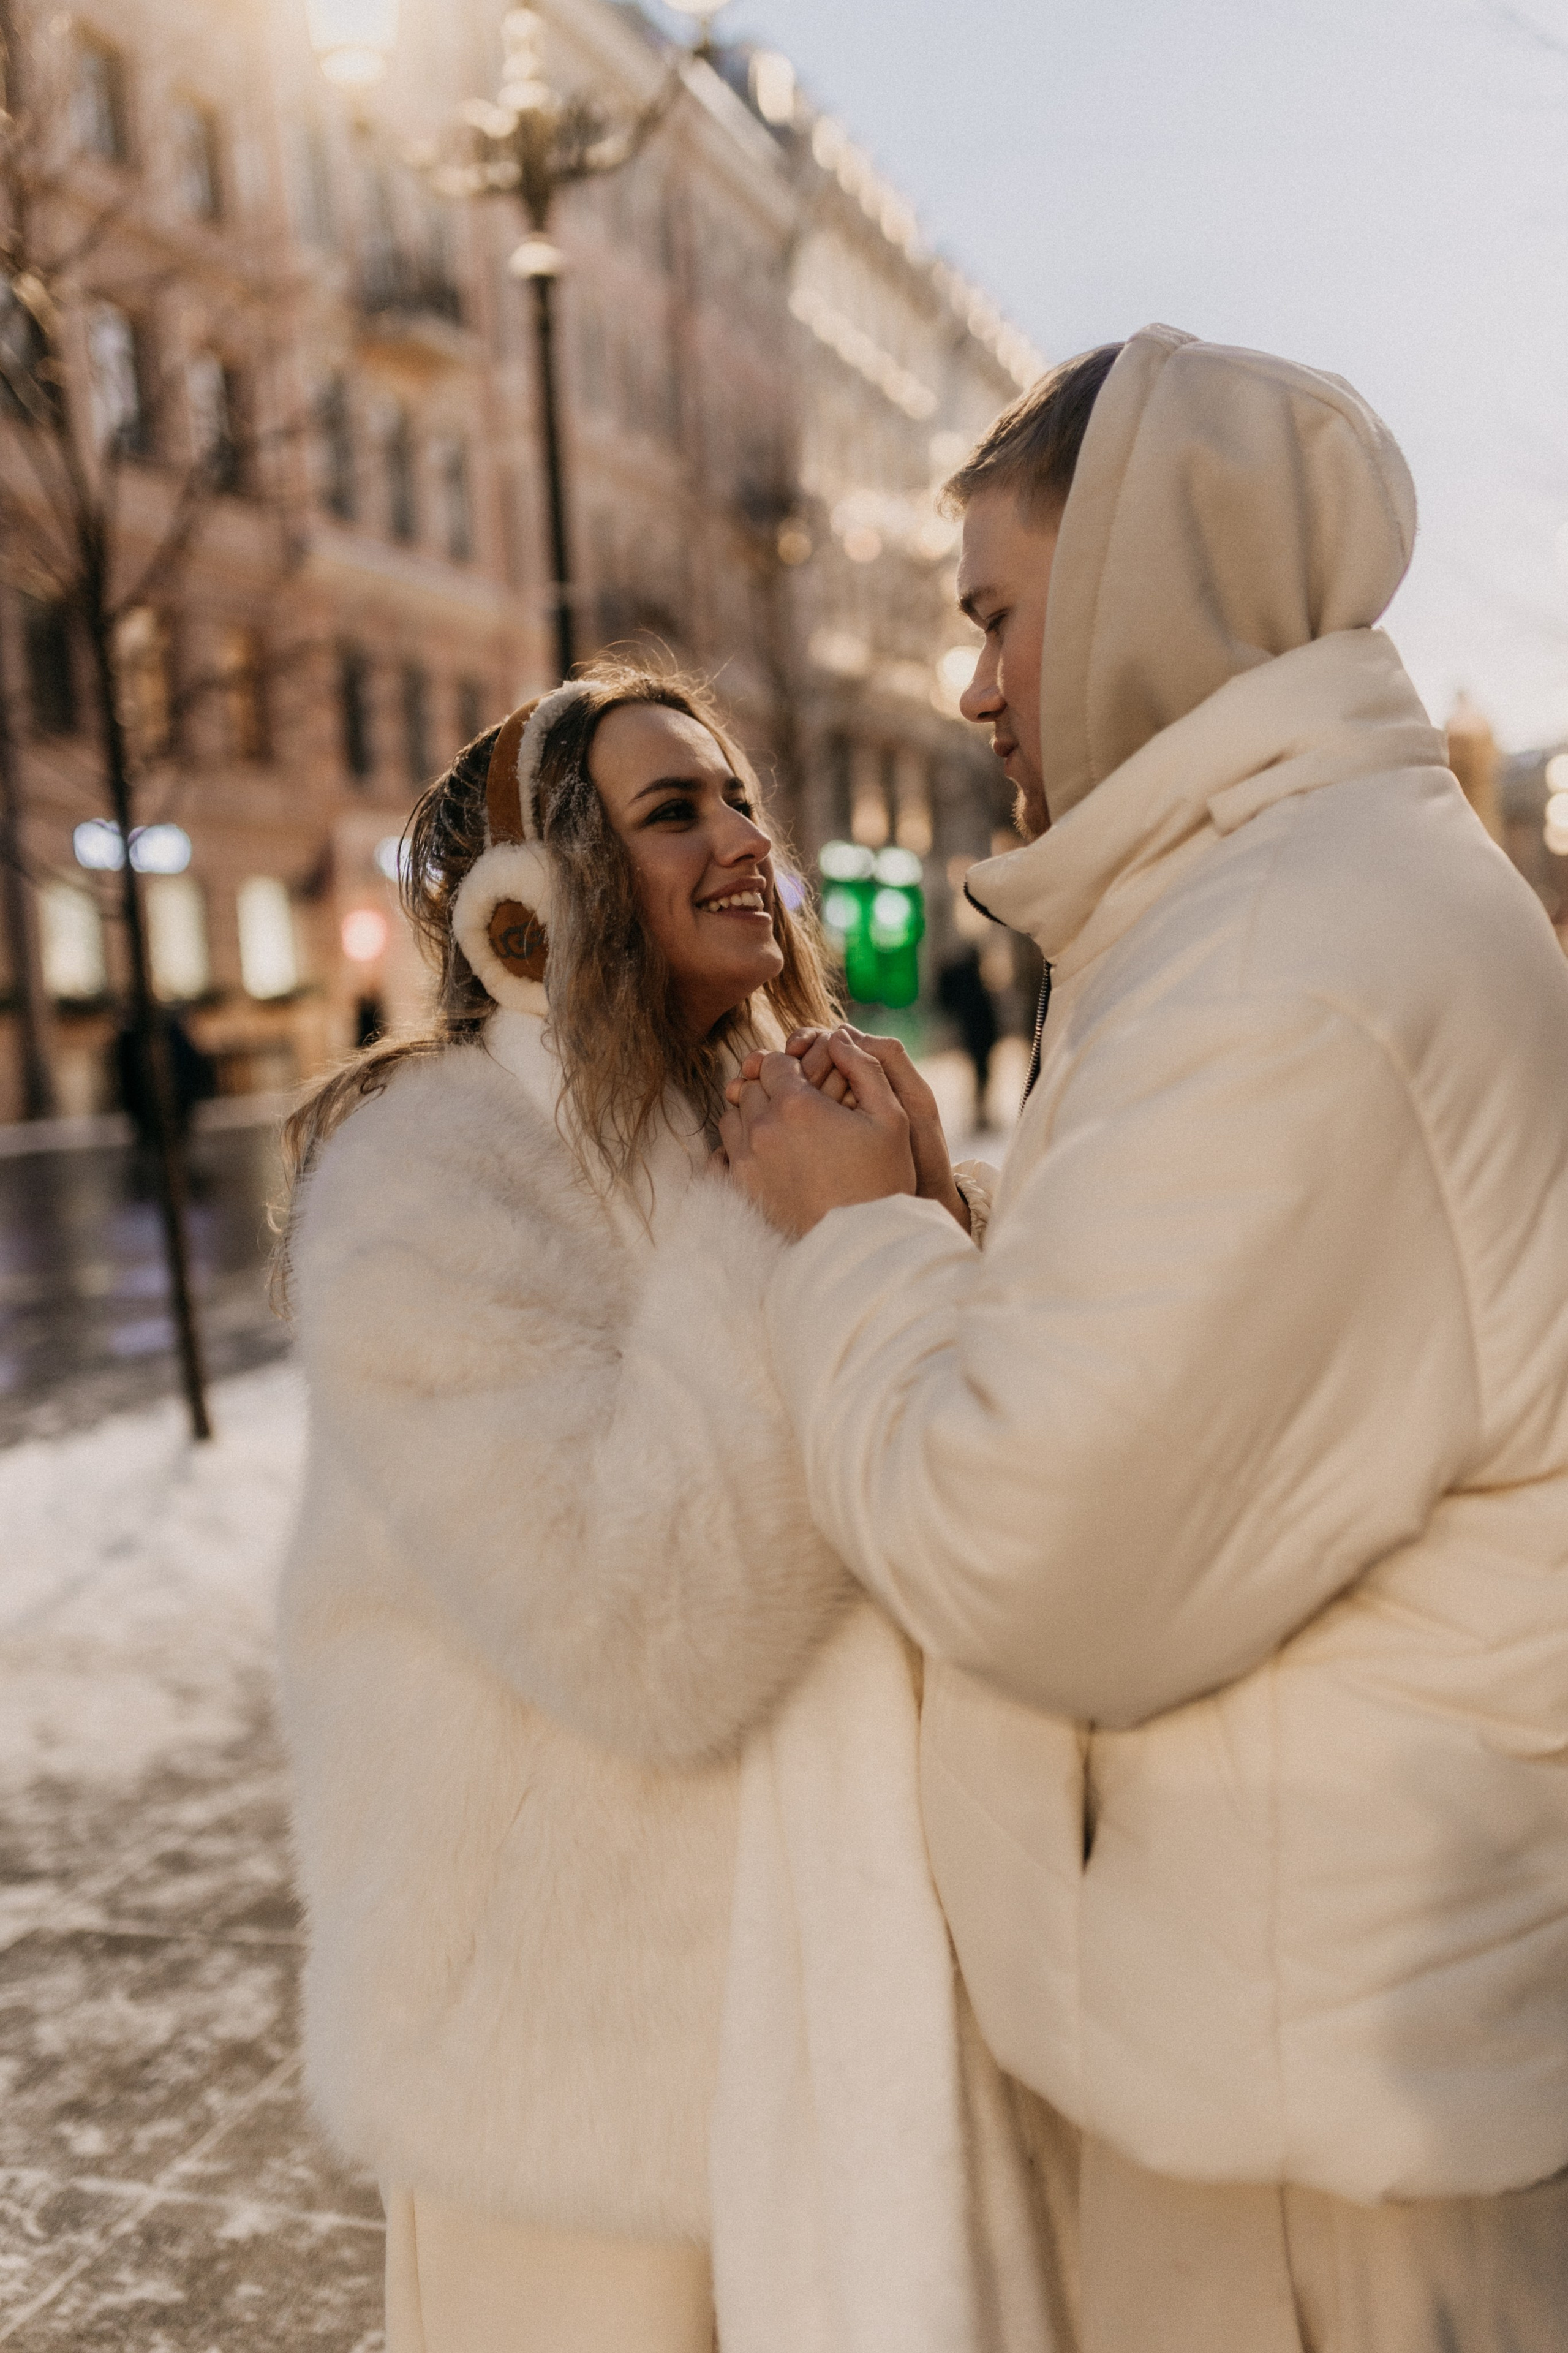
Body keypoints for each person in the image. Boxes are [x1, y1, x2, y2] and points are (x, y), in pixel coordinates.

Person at [719, 330, 1568, 2350]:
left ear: (1135, 592)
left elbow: (1040, 1546)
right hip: (1316, 2051)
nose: (978, 681)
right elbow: (1217, 1410)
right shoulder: (1269, 901)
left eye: (1002, 614)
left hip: (1316, 2127)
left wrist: (852, 1255)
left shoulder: (1285, 959)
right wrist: (950, 1234)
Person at [275, 661, 1057, 2353]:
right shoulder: (426, 1187)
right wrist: (794, 1241)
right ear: (534, 903)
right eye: (670, 811)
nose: (741, 843)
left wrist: (921, 1234)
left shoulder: (781, 1127)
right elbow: (638, 1625)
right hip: (555, 2083)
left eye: (741, 798)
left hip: (805, 2028)